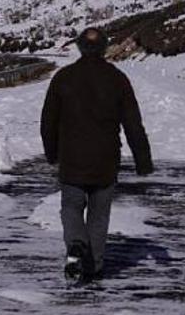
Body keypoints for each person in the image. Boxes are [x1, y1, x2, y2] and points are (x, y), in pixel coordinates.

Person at [40, 27, 154, 280]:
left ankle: (76, 245)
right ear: (104, 48)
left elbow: (48, 120)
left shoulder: (64, 77)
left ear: (80, 47)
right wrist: (142, 161)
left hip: (72, 158)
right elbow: (133, 123)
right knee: (99, 214)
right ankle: (93, 267)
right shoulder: (117, 79)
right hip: (105, 159)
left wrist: (51, 152)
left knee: (71, 207)